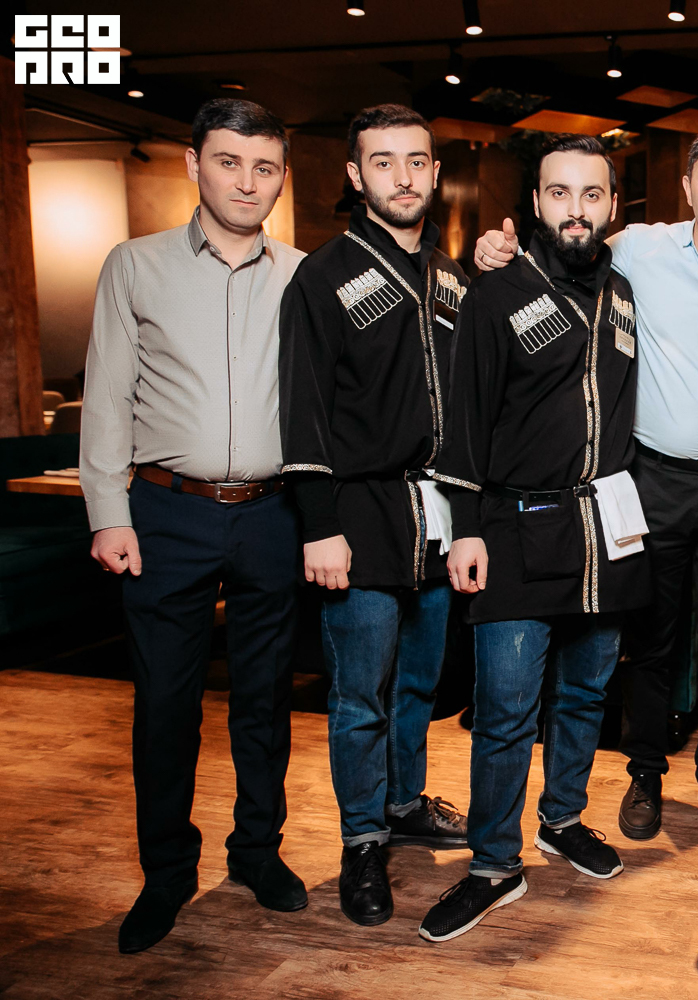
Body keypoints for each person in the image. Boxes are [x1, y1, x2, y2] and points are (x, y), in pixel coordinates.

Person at [472, 128, 698, 853]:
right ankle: (645, 776)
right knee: (651, 645)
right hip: (652, 480)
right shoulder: (639, 250)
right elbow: (567, 243)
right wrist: (496, 252)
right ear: (687, 187)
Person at [80, 99, 308, 954]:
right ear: (193, 165)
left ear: (281, 178)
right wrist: (109, 514)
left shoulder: (304, 275)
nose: (247, 182)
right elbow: (106, 397)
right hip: (165, 513)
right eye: (228, 162)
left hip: (273, 513)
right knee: (166, 705)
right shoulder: (134, 266)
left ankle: (257, 852)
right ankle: (168, 873)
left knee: (265, 700)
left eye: (264, 167)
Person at [418, 134, 650, 943]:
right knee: (506, 710)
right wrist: (466, 530)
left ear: (612, 205)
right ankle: (493, 864)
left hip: (604, 530)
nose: (576, 210)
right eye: (559, 193)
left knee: (585, 693)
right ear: (536, 204)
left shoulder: (623, 292)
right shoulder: (496, 293)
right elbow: (463, 421)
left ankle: (562, 818)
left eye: (591, 194)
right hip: (514, 527)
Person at [278, 103, 469, 928]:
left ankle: (401, 803)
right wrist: (319, 524)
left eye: (416, 160)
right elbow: (303, 409)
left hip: (437, 514)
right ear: (356, 175)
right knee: (361, 694)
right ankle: (362, 840)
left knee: (419, 681)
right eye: (383, 162)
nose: (403, 176)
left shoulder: (452, 277)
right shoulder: (323, 276)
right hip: (357, 515)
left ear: (435, 172)